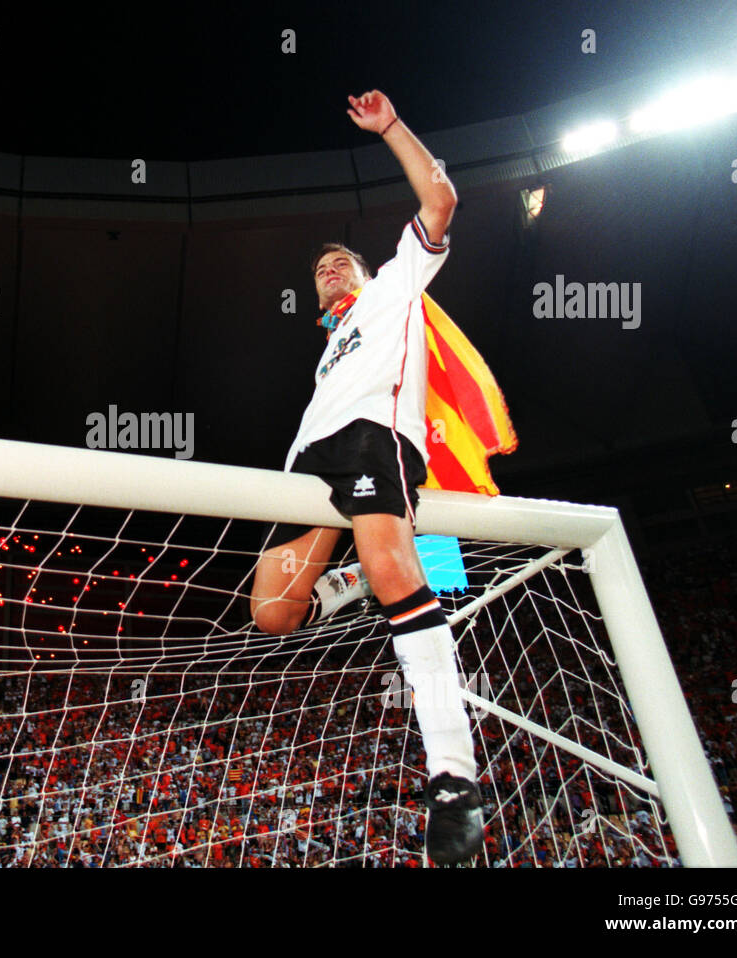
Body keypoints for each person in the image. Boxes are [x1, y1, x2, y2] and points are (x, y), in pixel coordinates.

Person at [249, 89, 483, 864]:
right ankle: (351, 583)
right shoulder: (327, 347)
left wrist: (391, 129)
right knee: (274, 613)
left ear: (367, 268)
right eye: (319, 269)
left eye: (338, 260)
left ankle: (452, 775)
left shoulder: (395, 288)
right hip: (308, 458)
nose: (327, 270)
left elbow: (440, 198)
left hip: (370, 443)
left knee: (392, 568)